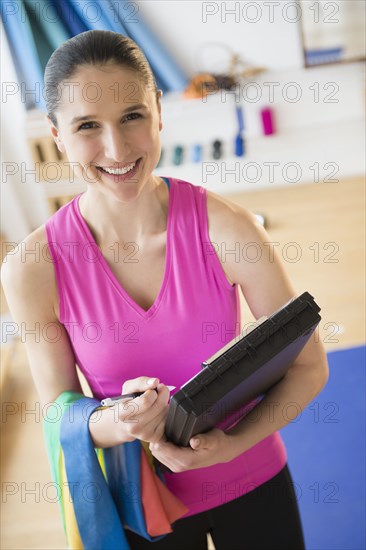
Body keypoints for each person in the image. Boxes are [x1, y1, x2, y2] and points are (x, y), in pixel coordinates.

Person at [2, 30, 329, 549]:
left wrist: (231, 446)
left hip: (253, 479)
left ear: (158, 110)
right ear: (57, 134)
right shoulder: (32, 268)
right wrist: (122, 421)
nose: (116, 148)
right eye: (88, 126)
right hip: (142, 505)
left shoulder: (229, 227)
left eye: (132, 115)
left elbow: (310, 365)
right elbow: (58, 411)